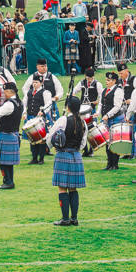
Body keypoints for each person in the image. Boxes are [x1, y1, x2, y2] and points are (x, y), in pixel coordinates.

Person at [47, 96, 88, 226]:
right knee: (73, 188)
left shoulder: (63, 119)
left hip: (63, 155)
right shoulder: (83, 122)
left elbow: (50, 137)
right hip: (76, 156)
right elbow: (83, 143)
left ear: (67, 107)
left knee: (62, 188)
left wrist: (51, 147)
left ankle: (65, 219)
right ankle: (74, 218)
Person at [72, 67, 103, 156]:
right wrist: (75, 97)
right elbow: (74, 91)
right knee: (81, 129)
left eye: (91, 78)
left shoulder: (98, 84)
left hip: (91, 109)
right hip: (82, 110)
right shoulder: (81, 83)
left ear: (93, 77)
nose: (89, 80)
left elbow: (101, 96)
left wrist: (97, 102)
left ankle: (91, 149)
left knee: (91, 129)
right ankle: (84, 149)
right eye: (87, 78)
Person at [97, 72, 125, 170]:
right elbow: (100, 104)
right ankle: (109, 163)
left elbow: (117, 106)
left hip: (116, 119)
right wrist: (97, 113)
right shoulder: (104, 90)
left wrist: (108, 115)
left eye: (108, 80)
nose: (106, 82)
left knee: (115, 142)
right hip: (107, 119)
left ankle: (115, 164)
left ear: (114, 81)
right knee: (107, 141)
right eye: (106, 80)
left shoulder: (118, 91)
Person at [22, 74, 52, 164]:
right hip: (31, 117)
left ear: (41, 83)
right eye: (33, 82)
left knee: (42, 139)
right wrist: (24, 112)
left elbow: (49, 104)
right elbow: (24, 103)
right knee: (32, 139)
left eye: (36, 82)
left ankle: (41, 159)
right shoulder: (29, 92)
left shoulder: (45, 92)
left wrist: (42, 111)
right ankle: (34, 158)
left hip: (40, 118)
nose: (34, 84)